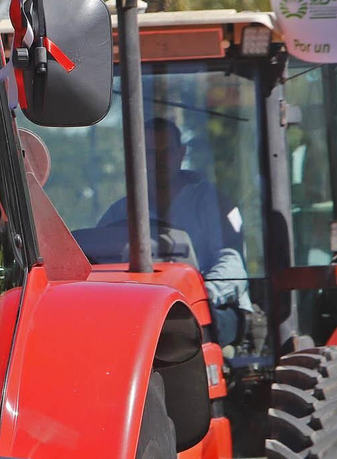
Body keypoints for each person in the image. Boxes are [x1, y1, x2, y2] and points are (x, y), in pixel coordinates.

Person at [100, 115, 252, 343]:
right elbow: (97, 260)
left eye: (166, 152)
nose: (159, 161)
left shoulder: (210, 201)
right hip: (144, 313)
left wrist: (197, 296)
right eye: (150, 153)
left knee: (182, 335)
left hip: (212, 308)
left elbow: (233, 263)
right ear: (136, 157)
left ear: (181, 154)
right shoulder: (119, 212)